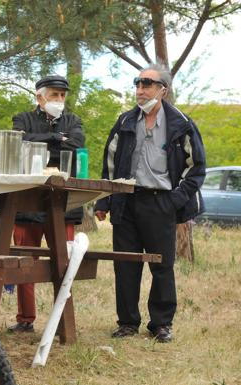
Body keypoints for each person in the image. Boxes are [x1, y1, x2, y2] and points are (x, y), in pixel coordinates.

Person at [94, 64, 206, 343]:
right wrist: (105, 201)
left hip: (160, 203)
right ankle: (128, 322)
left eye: (147, 84)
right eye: (138, 85)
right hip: (126, 202)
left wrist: (174, 201)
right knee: (125, 264)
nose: (140, 90)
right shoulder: (124, 121)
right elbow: (109, 164)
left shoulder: (181, 123)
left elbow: (196, 169)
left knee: (161, 265)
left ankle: (161, 324)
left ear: (162, 90)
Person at [7, 75, 85, 332]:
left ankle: (62, 321)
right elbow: (19, 142)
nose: (59, 100)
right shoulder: (22, 118)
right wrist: (55, 139)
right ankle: (25, 319)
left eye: (63, 95)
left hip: (64, 204)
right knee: (24, 264)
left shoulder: (73, 120)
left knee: (64, 263)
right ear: (40, 97)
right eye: (54, 95)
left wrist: (40, 141)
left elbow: (76, 144)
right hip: (28, 200)